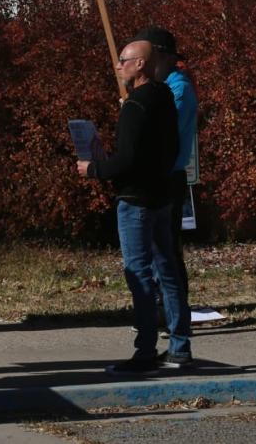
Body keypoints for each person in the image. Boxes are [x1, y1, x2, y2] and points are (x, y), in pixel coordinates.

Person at [77, 40, 191, 376]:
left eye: (123, 60)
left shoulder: (136, 106)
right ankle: (180, 347)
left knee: (139, 275)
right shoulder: (165, 97)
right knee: (167, 270)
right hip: (161, 195)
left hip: (135, 200)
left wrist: (94, 169)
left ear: (140, 64)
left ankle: (144, 352)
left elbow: (126, 160)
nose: (118, 66)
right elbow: (169, 149)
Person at [134, 27, 197, 315]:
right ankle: (163, 305)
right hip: (156, 175)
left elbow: (161, 123)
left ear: (161, 57)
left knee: (166, 247)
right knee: (155, 245)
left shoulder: (178, 88)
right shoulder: (161, 89)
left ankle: (172, 307)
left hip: (169, 175)